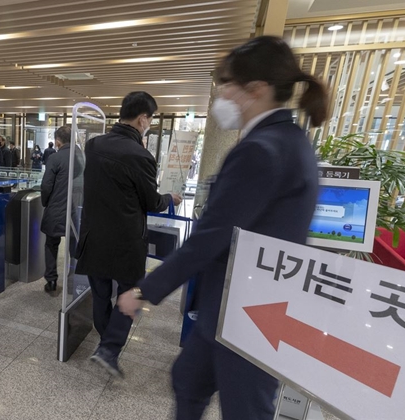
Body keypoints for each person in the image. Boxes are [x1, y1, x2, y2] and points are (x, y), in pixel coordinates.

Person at [117, 36, 328, 420]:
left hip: (251, 316)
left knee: (245, 410)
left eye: (228, 84)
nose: (222, 94)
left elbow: (211, 237)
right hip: (234, 308)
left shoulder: (262, 150)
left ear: (256, 90)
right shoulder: (291, 141)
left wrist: (145, 290)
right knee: (188, 378)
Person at [76, 91, 182, 378]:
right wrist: (170, 198)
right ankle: (109, 349)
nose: (149, 124)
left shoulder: (94, 145)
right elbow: (151, 202)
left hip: (93, 236)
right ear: (142, 118)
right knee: (131, 294)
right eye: (150, 119)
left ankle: (105, 343)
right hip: (125, 242)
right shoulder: (141, 156)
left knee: (100, 296)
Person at [40, 126, 84, 292]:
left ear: (58, 141)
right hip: (77, 208)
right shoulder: (82, 156)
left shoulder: (55, 158)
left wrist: (46, 203)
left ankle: (51, 281)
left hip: (57, 208)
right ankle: (73, 280)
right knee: (74, 245)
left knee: (51, 244)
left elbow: (46, 186)